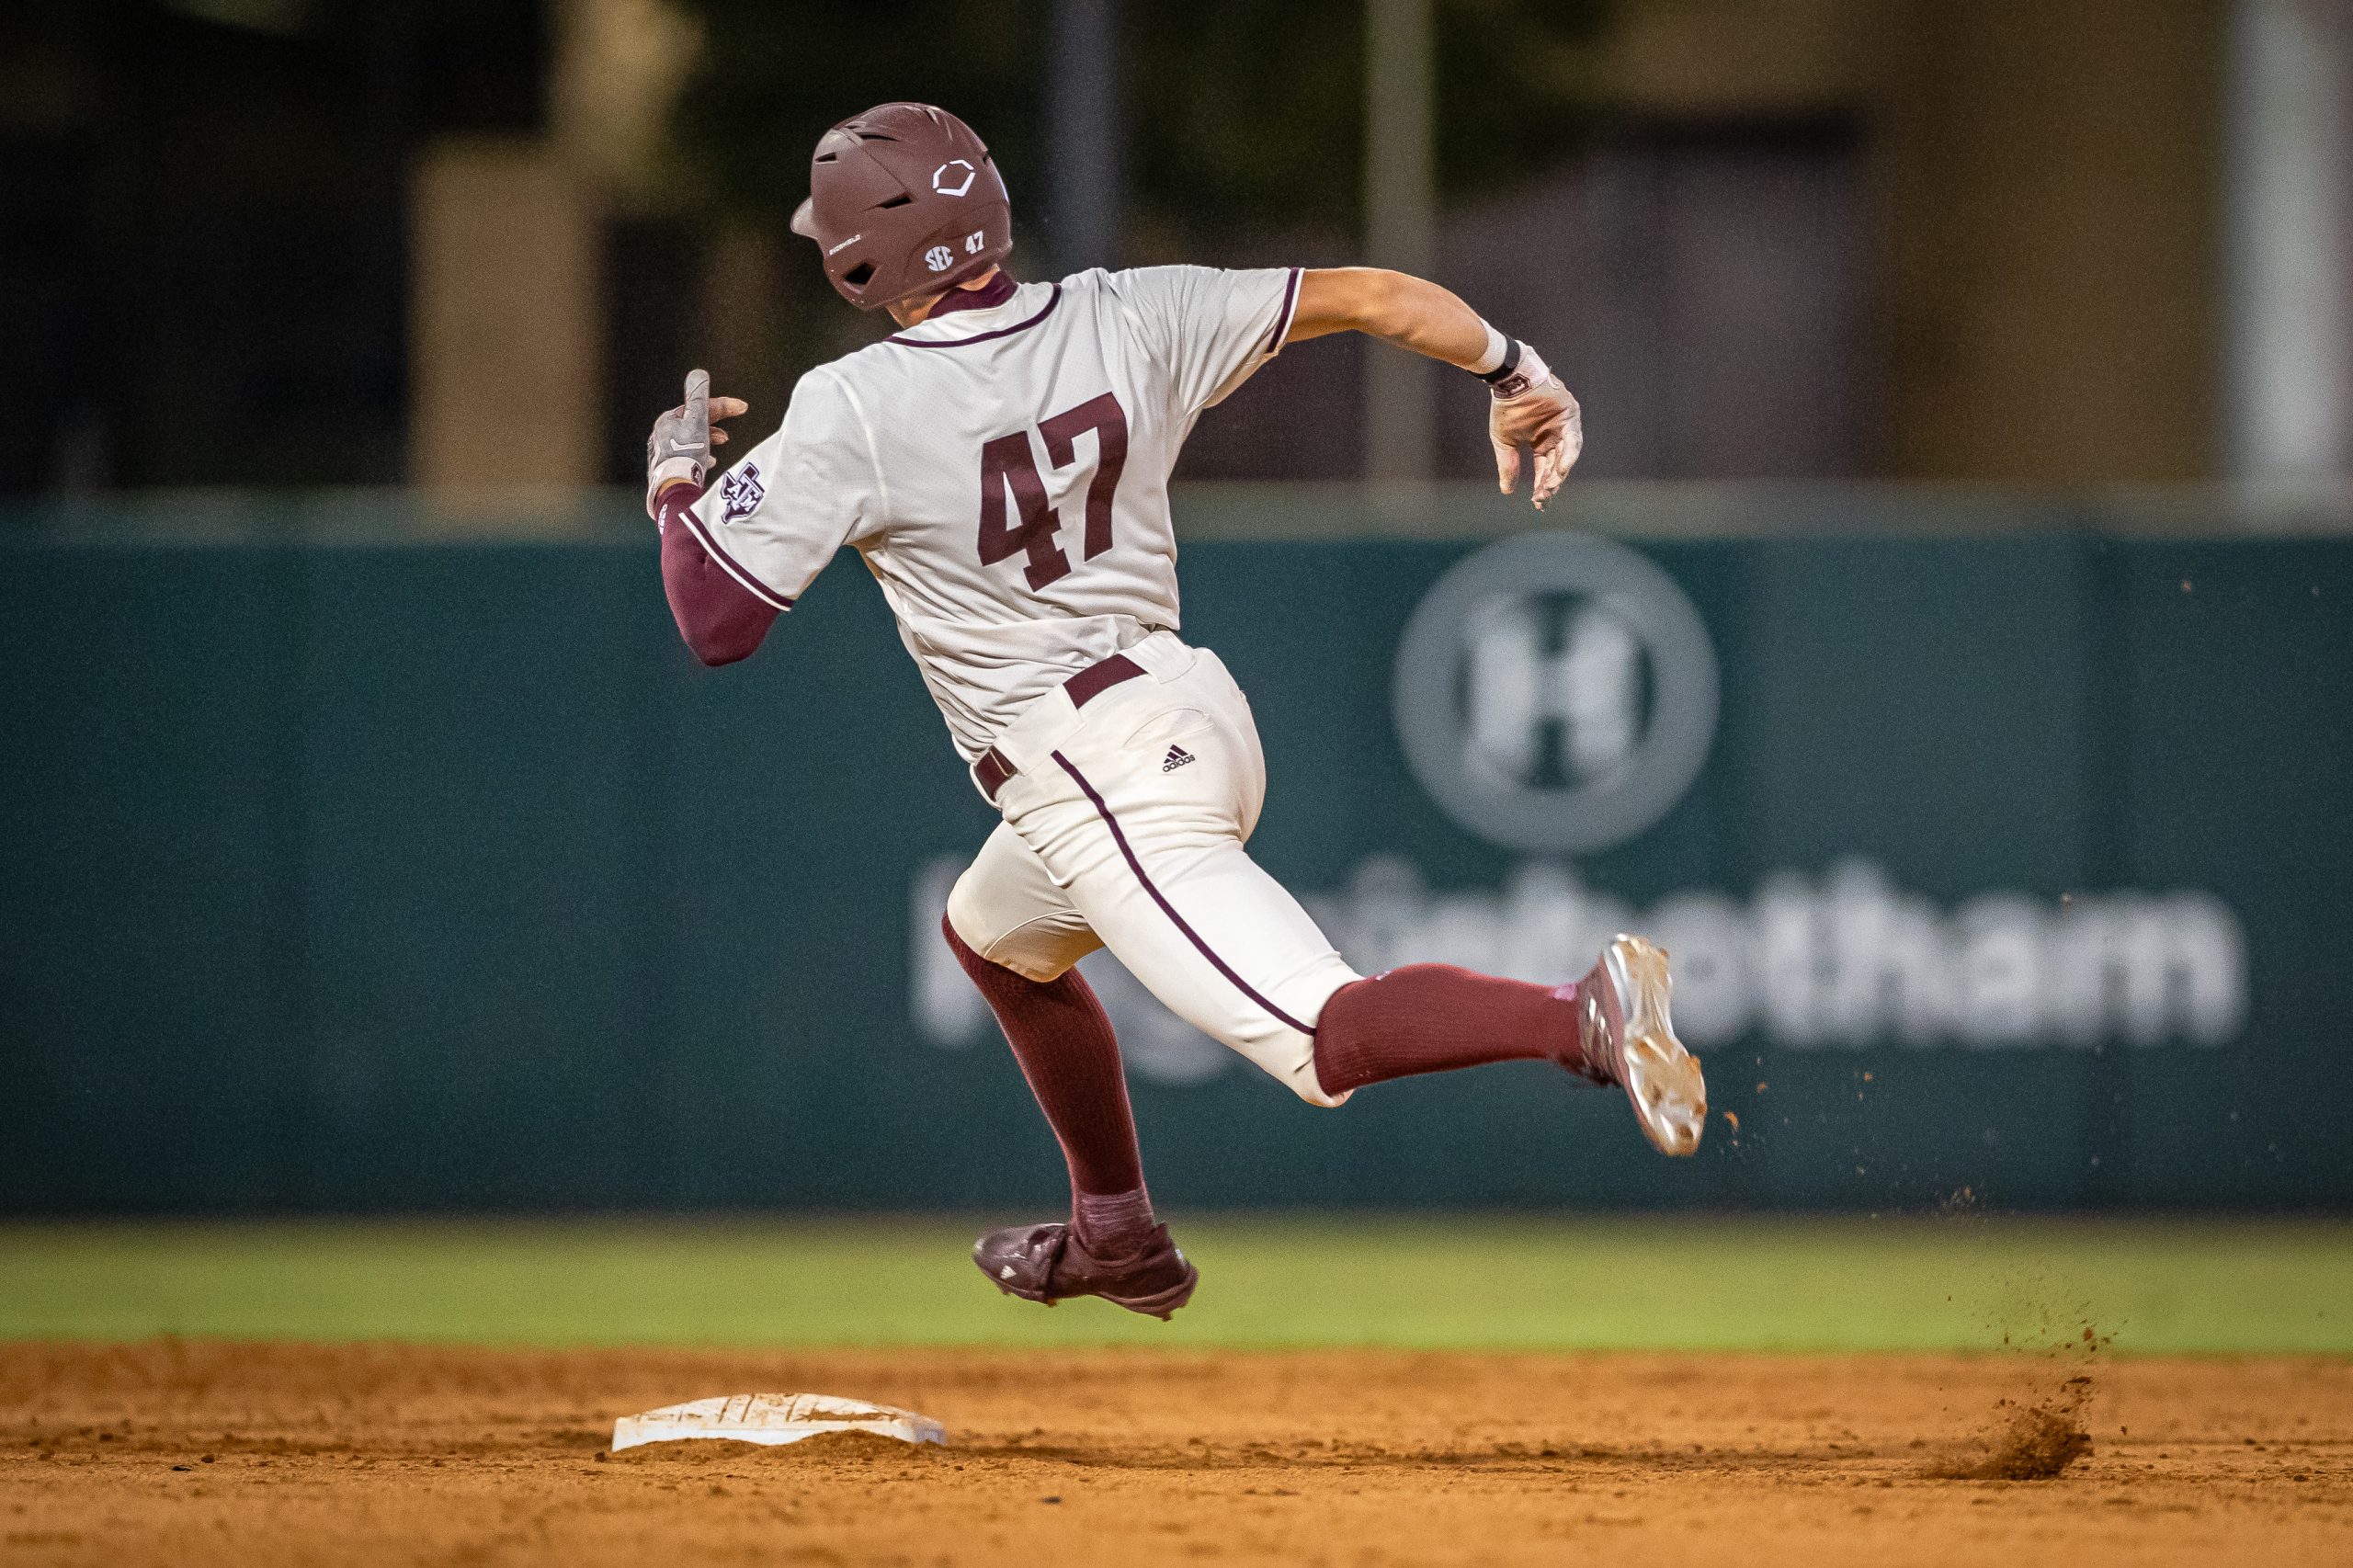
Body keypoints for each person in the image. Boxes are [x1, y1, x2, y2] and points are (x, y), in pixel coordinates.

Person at [644, 103, 1706, 1320]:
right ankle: (1116, 1232)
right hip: (1191, 705)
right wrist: (1515, 370)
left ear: (859, 256)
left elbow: (713, 621)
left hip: (1094, 769)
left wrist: (677, 483)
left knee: (1325, 1039)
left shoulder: (855, 403)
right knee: (994, 935)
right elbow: (1367, 294)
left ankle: (1581, 1015)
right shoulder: (1123, 312)